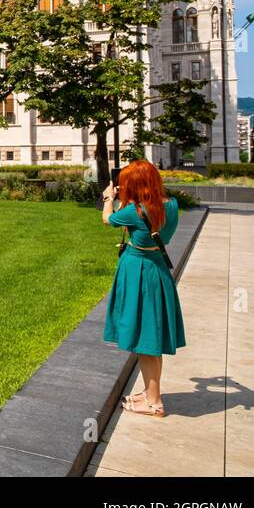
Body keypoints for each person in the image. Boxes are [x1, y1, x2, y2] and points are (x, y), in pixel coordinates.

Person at [101, 160, 185, 417]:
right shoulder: (170, 206)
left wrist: (108, 198)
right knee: (151, 336)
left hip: (137, 271)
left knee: (145, 339)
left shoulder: (132, 212)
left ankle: (154, 402)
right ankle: (150, 394)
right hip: (157, 269)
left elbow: (107, 220)